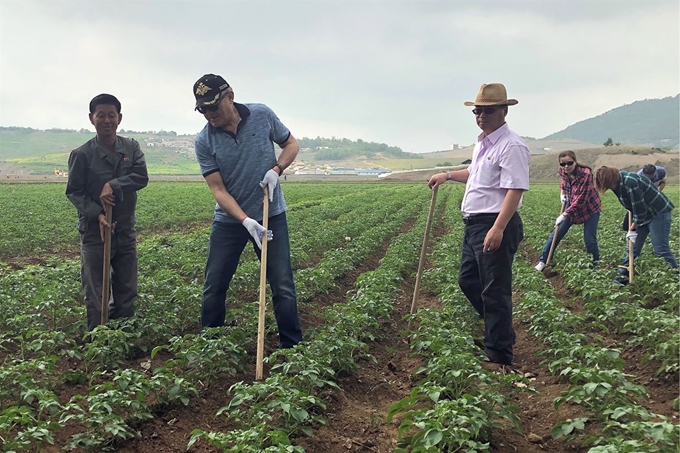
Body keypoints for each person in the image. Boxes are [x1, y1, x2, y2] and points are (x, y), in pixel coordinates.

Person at [192, 74, 302, 348]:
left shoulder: (261, 115)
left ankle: (292, 347)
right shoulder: (204, 140)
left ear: (230, 96)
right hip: (230, 221)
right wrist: (245, 220)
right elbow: (218, 189)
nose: (209, 114)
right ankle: (211, 346)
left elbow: (291, 144)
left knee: (282, 285)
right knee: (214, 285)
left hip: (271, 214)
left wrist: (277, 169)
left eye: (213, 106)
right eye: (203, 109)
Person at [428, 83, 530, 366]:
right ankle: (500, 330)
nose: (481, 116)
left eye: (488, 111)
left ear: (504, 111)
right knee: (468, 280)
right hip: (474, 224)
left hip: (494, 222)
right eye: (477, 111)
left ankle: (499, 354)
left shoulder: (511, 146)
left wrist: (497, 228)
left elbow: (515, 189)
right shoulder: (484, 143)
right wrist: (447, 174)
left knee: (495, 289)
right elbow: (475, 173)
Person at [66, 94, 149, 331]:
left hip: (124, 227)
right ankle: (99, 340)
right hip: (95, 231)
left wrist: (113, 184)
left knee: (127, 289)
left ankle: (121, 338)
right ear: (91, 119)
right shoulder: (82, 154)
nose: (106, 120)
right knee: (96, 292)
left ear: (119, 118)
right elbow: (74, 191)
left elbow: (141, 177)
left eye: (111, 115)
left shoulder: (131, 148)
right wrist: (98, 214)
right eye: (100, 115)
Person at [594, 166, 677, 284]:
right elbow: (634, 206)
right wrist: (633, 226)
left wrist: (633, 228)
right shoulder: (618, 182)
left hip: (658, 213)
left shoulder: (629, 183)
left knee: (661, 249)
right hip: (644, 213)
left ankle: (676, 277)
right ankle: (622, 277)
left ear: (609, 179)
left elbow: (640, 209)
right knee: (632, 248)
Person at [534, 151, 601, 271]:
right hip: (571, 204)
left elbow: (581, 200)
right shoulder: (563, 171)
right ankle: (543, 261)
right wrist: (562, 192)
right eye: (562, 164)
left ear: (575, 162)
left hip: (589, 208)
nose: (566, 166)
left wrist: (565, 214)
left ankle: (594, 265)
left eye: (569, 163)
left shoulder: (586, 174)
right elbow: (564, 182)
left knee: (589, 239)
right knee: (557, 233)